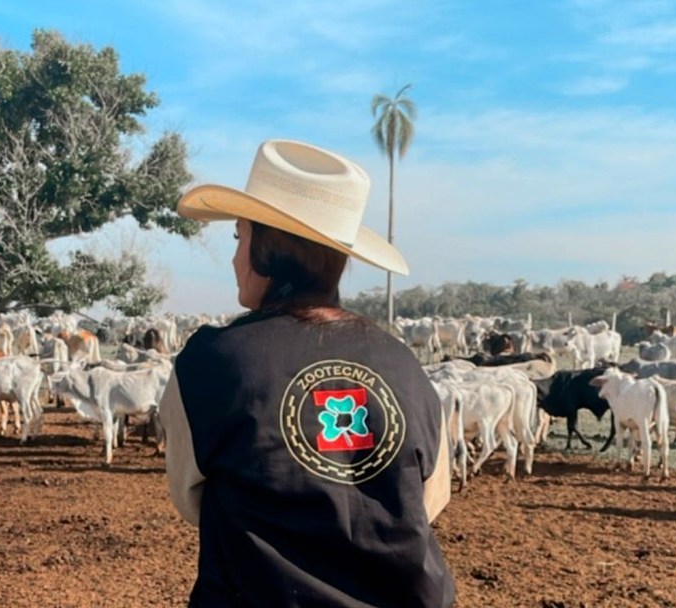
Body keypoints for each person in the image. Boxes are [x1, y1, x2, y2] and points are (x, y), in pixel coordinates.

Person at [159, 139, 456, 607]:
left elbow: (188, 496)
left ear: (267, 249)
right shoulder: (404, 363)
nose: (236, 258)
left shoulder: (209, 364)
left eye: (240, 238)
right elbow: (427, 501)